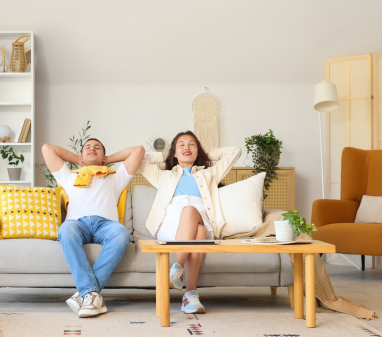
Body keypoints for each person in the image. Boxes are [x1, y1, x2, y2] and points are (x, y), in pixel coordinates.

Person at [138, 131, 241, 314]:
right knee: (198, 231)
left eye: (192, 144)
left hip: (202, 218)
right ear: (174, 153)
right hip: (171, 226)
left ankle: (177, 268)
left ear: (198, 151)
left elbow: (235, 151)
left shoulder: (209, 174)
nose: (187, 147)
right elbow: (140, 158)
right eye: (181, 145)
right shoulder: (164, 177)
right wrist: (165, 156)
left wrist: (206, 154)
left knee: (192, 212)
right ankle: (190, 295)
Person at [41, 139, 144, 318]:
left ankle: (85, 294)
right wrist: (78, 160)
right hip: (77, 224)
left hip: (106, 225)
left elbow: (138, 150)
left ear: (103, 156)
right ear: (81, 155)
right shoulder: (69, 176)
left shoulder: (115, 177)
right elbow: (47, 149)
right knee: (64, 230)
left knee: (122, 233)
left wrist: (108, 159)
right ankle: (91, 295)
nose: (92, 149)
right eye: (87, 147)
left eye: (97, 147)